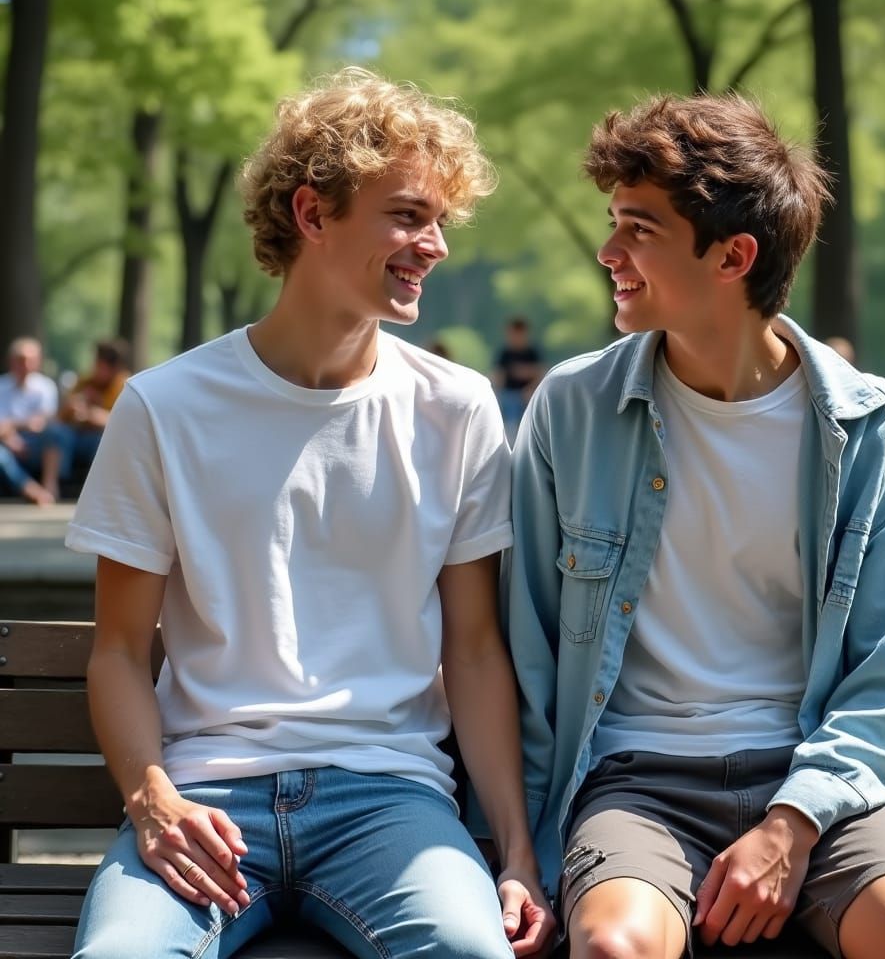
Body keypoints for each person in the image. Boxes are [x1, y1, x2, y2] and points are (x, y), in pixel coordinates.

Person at [66, 67, 554, 959]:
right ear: (312, 214)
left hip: (391, 799)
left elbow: (475, 649)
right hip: (208, 795)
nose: (434, 244)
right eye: (408, 215)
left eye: (441, 220)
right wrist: (153, 799)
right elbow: (118, 650)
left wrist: (517, 852)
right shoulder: (165, 407)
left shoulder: (458, 409)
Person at [506, 93, 885, 959]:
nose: (608, 253)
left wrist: (791, 827)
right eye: (613, 224)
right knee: (614, 950)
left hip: (821, 785)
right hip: (635, 782)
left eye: (638, 230)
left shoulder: (865, 435)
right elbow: (527, 656)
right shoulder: (571, 413)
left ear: (734, 256)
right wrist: (519, 853)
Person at [46, 338, 132, 492]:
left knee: (102, 442)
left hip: (101, 439)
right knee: (58, 433)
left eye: (100, 364)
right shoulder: (85, 381)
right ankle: (54, 484)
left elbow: (122, 422)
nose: (95, 368)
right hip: (77, 436)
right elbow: (60, 417)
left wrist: (93, 414)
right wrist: (71, 409)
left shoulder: (124, 385)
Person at [0, 336, 60, 505]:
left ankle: (50, 485)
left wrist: (10, 426)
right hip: (5, 443)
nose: (25, 365)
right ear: (11, 361)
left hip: (36, 443)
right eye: (20, 360)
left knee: (55, 435)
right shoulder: (1, 386)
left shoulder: (45, 387)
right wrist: (10, 437)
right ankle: (32, 490)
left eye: (29, 360)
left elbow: (43, 423)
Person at [492, 317, 544, 440]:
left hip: (528, 394)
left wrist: (529, 384)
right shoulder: (505, 353)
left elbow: (541, 374)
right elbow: (498, 375)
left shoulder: (532, 352)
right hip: (508, 394)